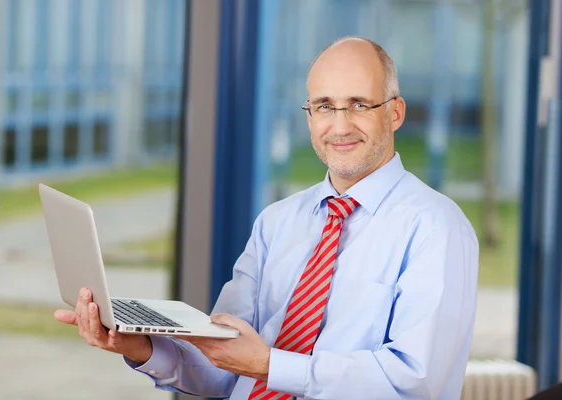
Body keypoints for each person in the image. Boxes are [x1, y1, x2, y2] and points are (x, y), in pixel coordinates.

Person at [55, 36, 479, 399]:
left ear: (396, 112)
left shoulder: (436, 227)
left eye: (359, 104)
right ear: (309, 116)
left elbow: (413, 384)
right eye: (324, 106)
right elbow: (221, 367)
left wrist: (270, 364)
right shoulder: (277, 222)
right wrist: (141, 347)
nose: (340, 124)